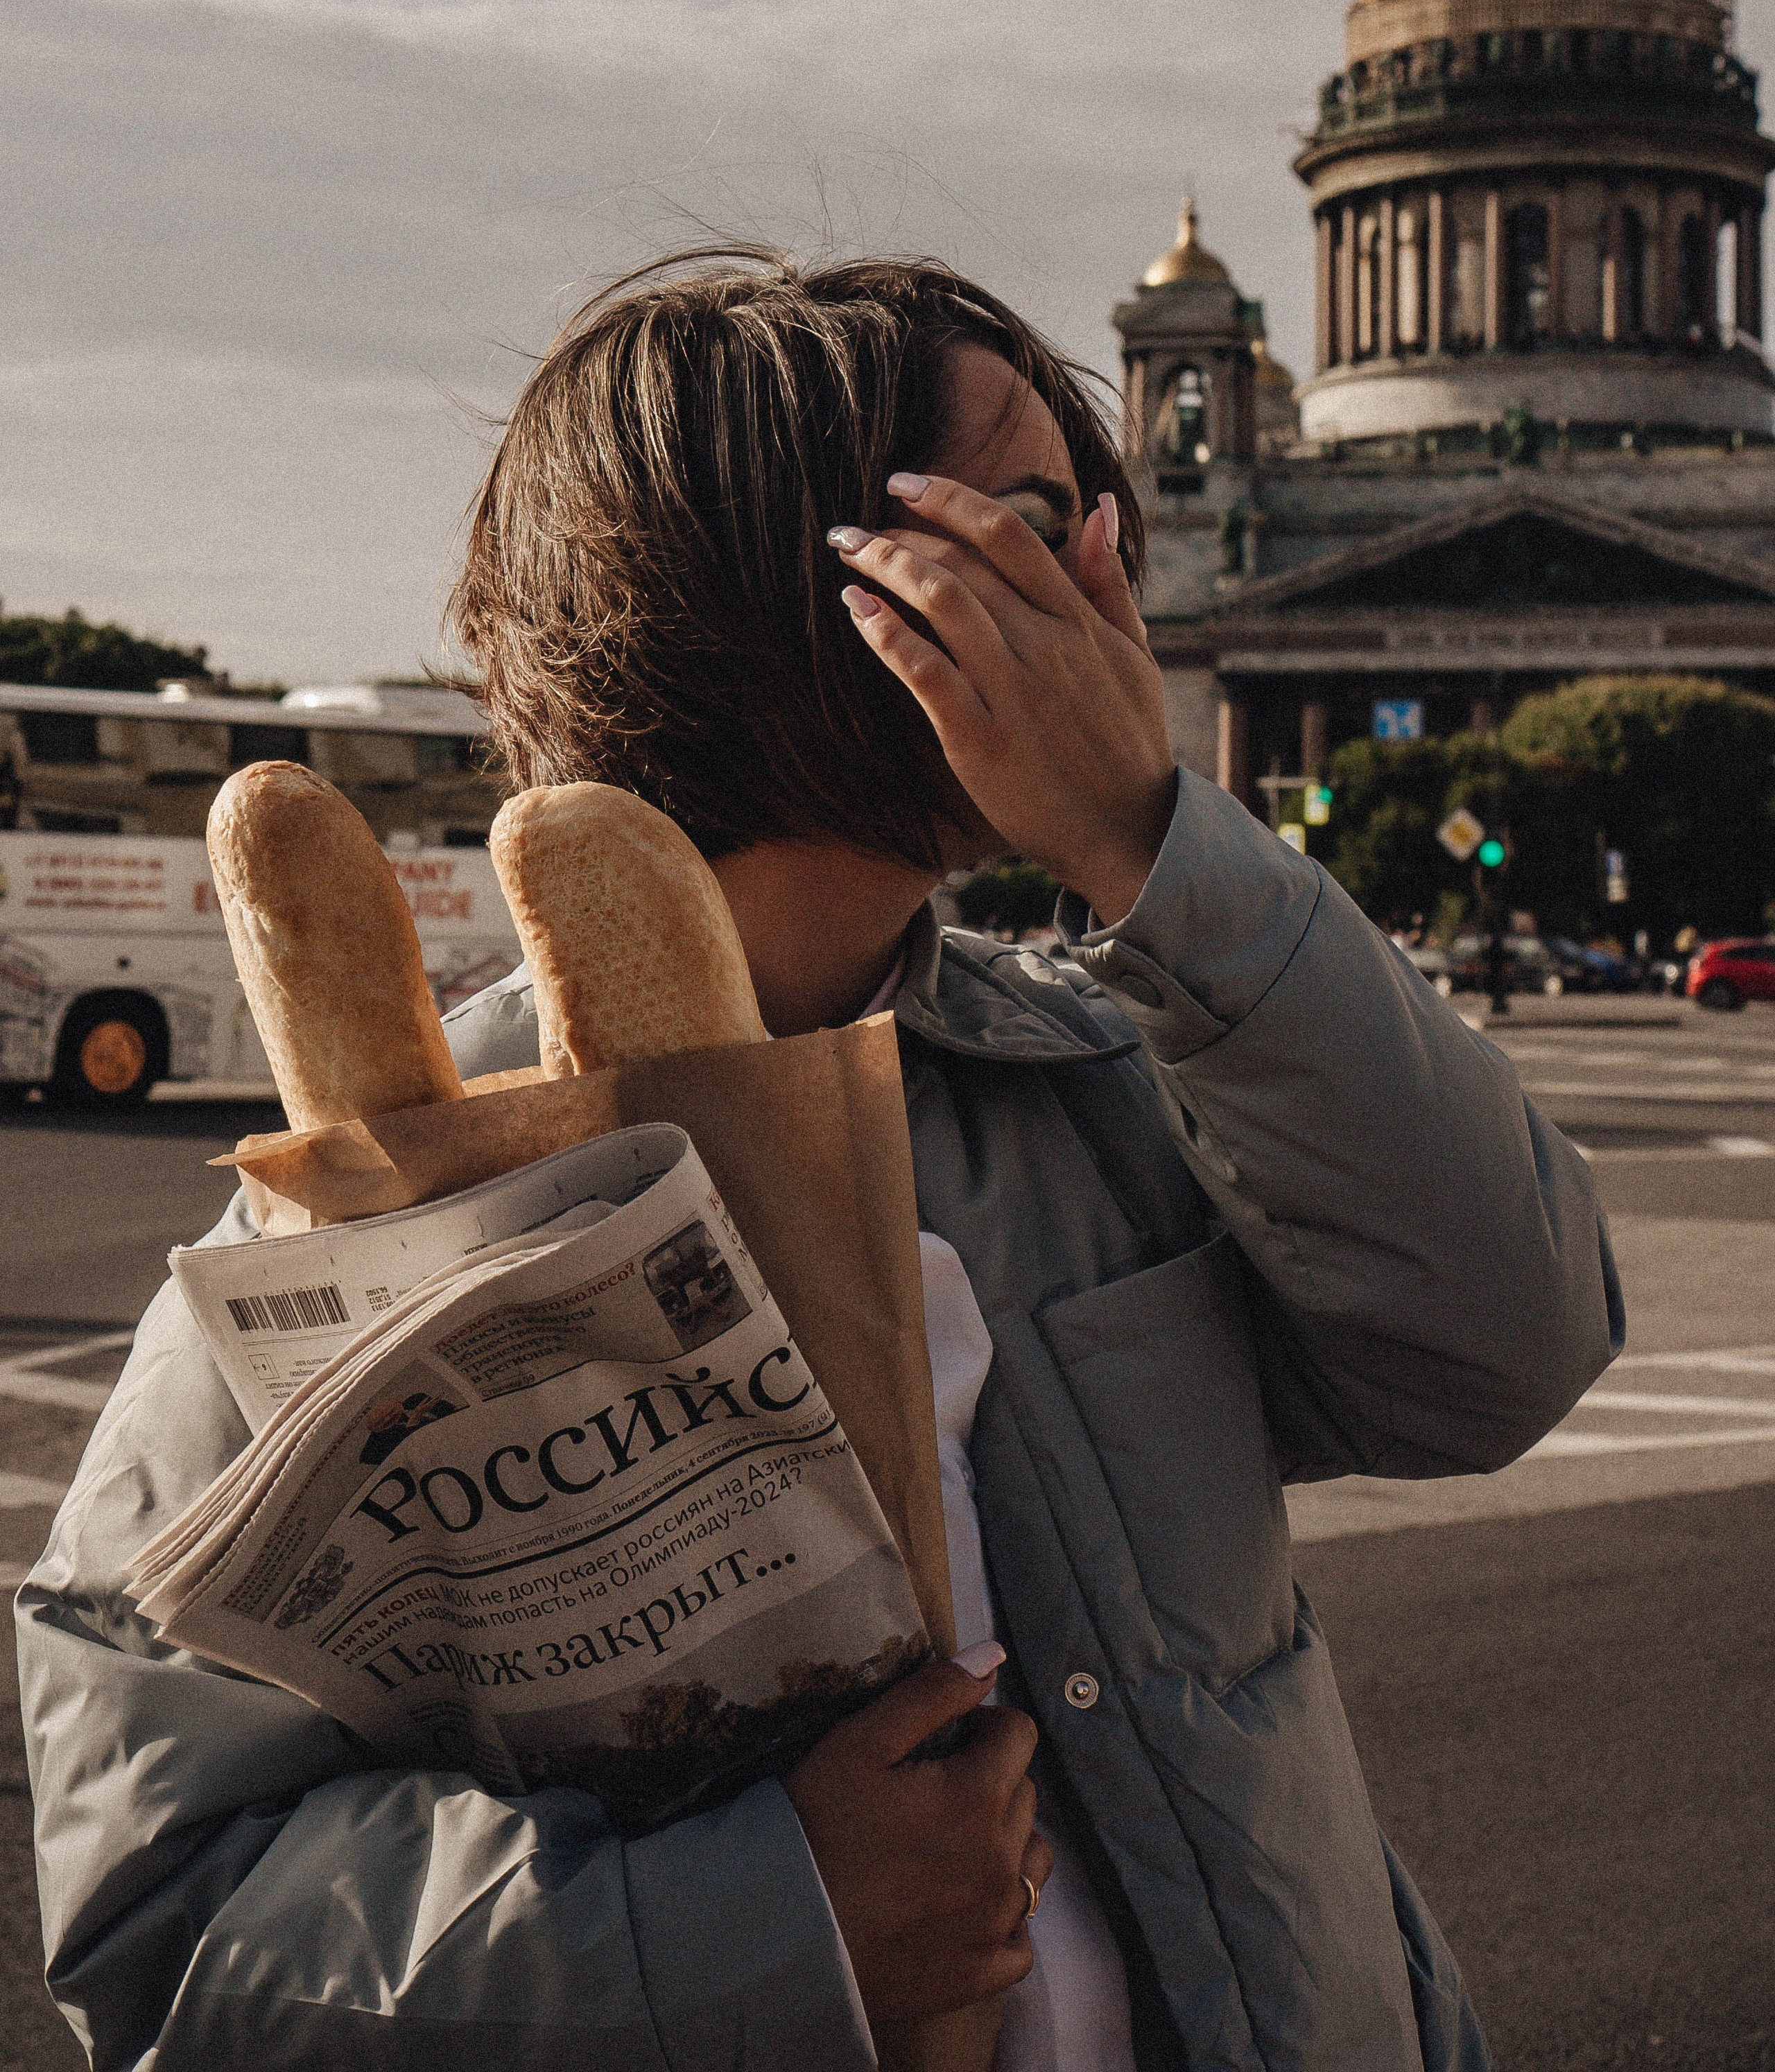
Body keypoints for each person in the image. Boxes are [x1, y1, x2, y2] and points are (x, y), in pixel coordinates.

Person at [20, 247, 1622, 2072]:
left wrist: (1151, 837)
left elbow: (1510, 1347)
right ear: (823, 596)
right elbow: (165, 1925)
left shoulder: (1112, 1078)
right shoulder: (361, 1201)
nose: (1108, 582)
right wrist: (771, 1919)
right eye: (1030, 522)